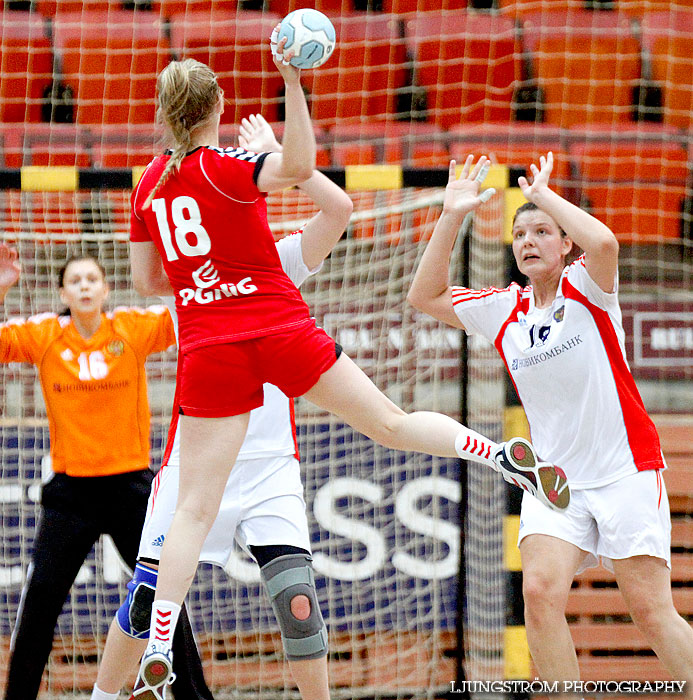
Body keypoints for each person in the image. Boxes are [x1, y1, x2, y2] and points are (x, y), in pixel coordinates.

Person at [128, 36, 569, 697]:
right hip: (275, 324)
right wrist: (290, 84)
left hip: (210, 341)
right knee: (388, 422)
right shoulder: (228, 165)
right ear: (217, 105)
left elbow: (148, 282)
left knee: (190, 510)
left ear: (164, 114)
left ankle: (159, 647)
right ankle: (495, 452)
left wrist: (205, 278)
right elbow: (306, 168)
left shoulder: (149, 187)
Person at [407, 152, 693, 692]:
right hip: (554, 480)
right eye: (520, 234)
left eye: (542, 232)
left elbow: (606, 243)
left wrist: (541, 196)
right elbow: (424, 295)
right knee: (538, 592)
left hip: (623, 469)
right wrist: (450, 215)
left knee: (652, 613)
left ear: (565, 246)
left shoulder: (588, 285)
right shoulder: (503, 308)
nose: (528, 240)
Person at [90, 114, 352, 700]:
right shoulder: (183, 280)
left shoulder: (275, 261)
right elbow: (147, 271)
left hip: (268, 463)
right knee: (143, 601)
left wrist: (283, 156)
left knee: (299, 605)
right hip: (196, 458)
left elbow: (338, 213)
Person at [0, 248, 216, 700]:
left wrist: (182, 258)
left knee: (163, 599)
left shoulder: (130, 329)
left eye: (91, 279)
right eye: (74, 280)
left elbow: (190, 312)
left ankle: (195, 697)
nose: (83, 286)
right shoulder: (45, 335)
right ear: (62, 292)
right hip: (70, 493)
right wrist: (2, 285)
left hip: (130, 490)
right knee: (39, 605)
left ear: (105, 289)